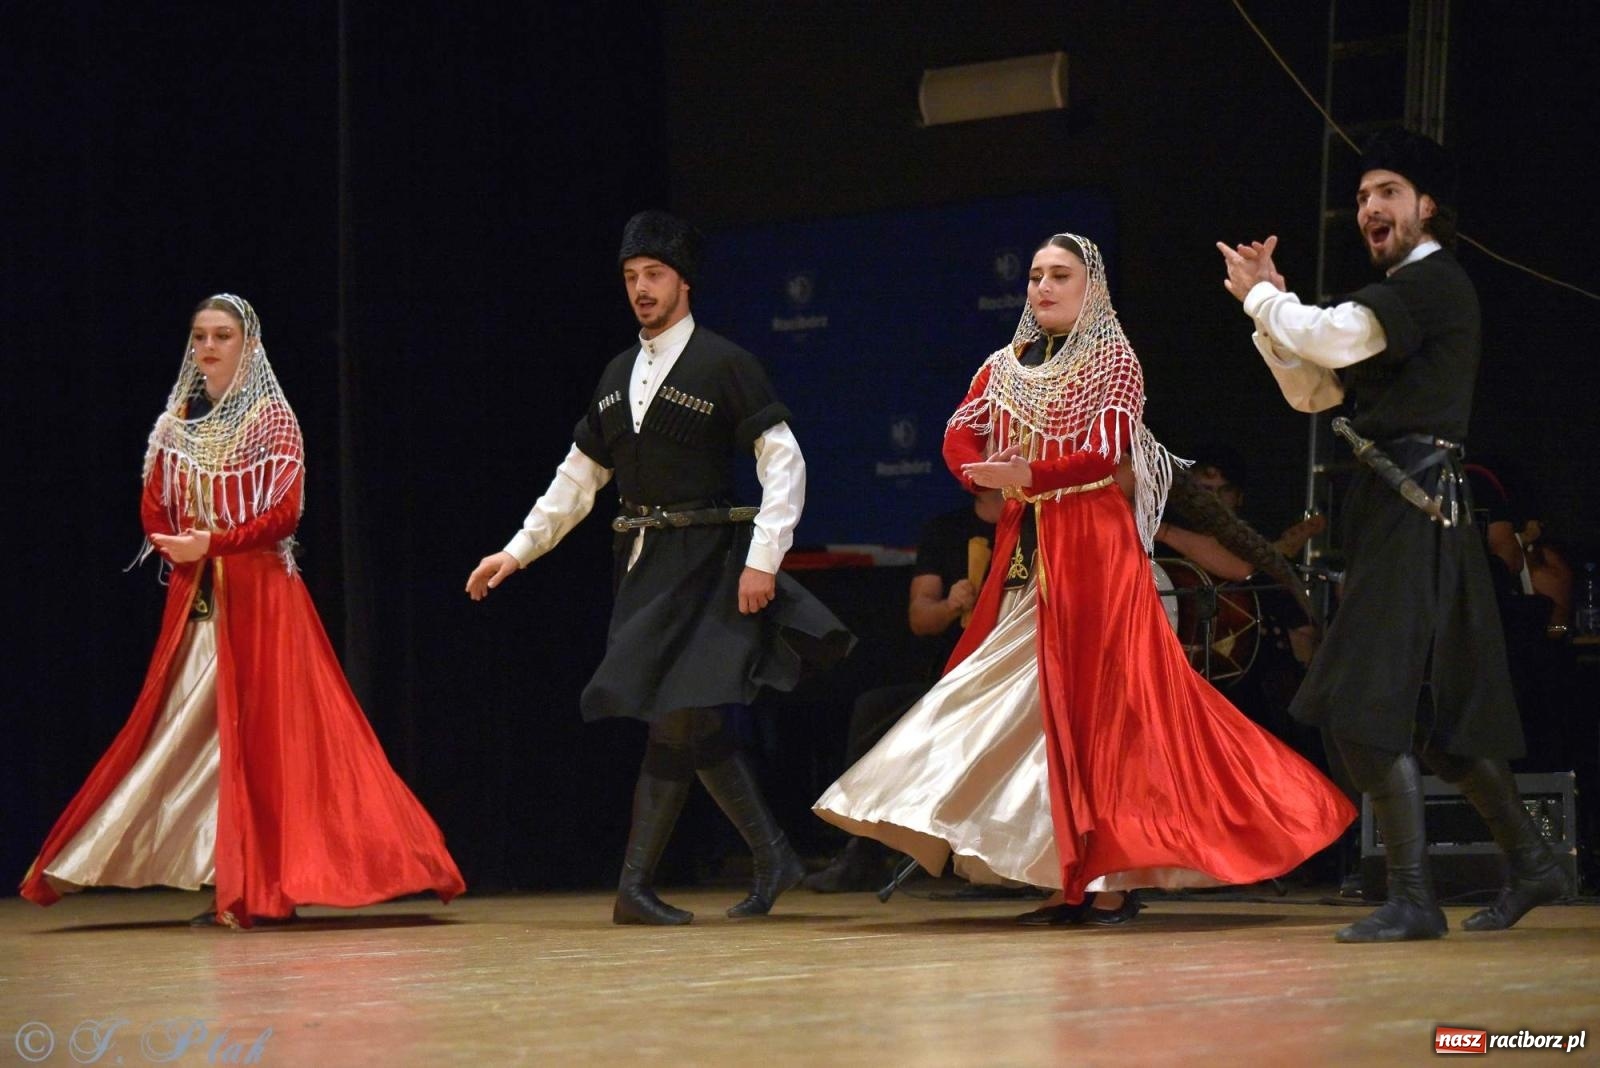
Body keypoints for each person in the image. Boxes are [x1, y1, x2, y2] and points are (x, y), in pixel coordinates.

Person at [815, 232, 1355, 926]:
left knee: (1108, 714)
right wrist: (979, 470)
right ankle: (1061, 876)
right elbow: (959, 431)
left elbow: (1103, 451)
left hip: (1094, 548)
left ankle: (1112, 882)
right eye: (1035, 274)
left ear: (1089, 287)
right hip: (1030, 547)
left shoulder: (1113, 361)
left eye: (1059, 275)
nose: (1042, 286)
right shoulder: (1005, 364)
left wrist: (1026, 474)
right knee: (1019, 704)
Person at [1219, 127, 1573, 941]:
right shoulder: (1399, 302)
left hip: (1416, 508)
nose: (1368, 209)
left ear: (1426, 207)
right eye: (1361, 198)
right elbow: (1314, 391)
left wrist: (1266, 299)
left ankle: (1413, 896)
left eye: (1386, 193)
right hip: (1406, 506)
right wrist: (1269, 313)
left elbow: (1333, 335)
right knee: (1440, 726)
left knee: (1355, 706)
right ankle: (1536, 863)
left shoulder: (1434, 280)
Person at [21, 295, 465, 929]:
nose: (208, 346)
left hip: (261, 598)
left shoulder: (273, 423)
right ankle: (226, 877)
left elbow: (283, 515)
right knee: (193, 737)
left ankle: (261, 887)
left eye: (222, 335)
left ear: (248, 346)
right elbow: (154, 509)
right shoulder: (176, 423)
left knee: (266, 739)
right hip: (197, 601)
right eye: (200, 335)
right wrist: (176, 542)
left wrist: (214, 543)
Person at [466, 211, 851, 926]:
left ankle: (634, 889)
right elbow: (577, 480)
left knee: (677, 718)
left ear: (683, 281)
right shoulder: (616, 375)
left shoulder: (723, 362)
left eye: (654, 276)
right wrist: (517, 550)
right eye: (631, 277)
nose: (641, 289)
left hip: (707, 560)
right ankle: (773, 854)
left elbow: (784, 461)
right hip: (643, 565)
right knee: (690, 719)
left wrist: (764, 558)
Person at [804, 490, 1003, 893]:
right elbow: (920, 618)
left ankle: (992, 858)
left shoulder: (1032, 523)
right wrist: (951, 604)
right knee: (875, 711)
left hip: (1009, 675)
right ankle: (865, 852)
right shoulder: (947, 530)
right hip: (951, 677)